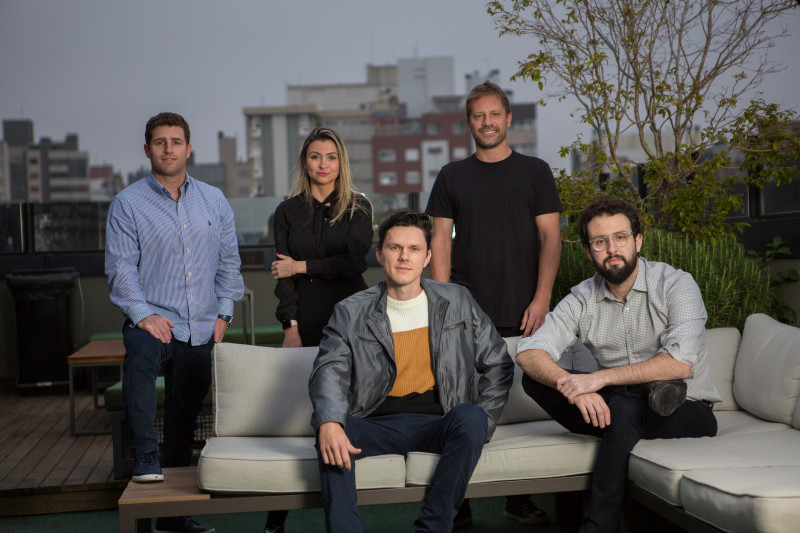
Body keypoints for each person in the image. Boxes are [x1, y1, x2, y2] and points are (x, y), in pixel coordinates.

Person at [516, 196, 721, 533]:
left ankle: (597, 526)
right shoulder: (582, 297)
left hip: (687, 409)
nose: (612, 248)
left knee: (624, 408)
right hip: (618, 405)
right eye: (600, 241)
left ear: (638, 241)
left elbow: (679, 365)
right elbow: (529, 352)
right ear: (588, 251)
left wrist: (596, 380)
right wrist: (573, 387)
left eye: (621, 237)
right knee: (536, 380)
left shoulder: (676, 285)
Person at [309, 211, 514, 533]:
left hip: (439, 422)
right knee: (333, 432)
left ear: (428, 256)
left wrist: (482, 423)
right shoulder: (350, 311)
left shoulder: (457, 301)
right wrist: (330, 421)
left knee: (472, 417)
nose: (404, 257)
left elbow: (499, 363)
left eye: (414, 249)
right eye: (395, 248)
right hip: (374, 422)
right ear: (379, 253)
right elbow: (328, 369)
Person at [425, 79, 561, 526]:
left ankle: (517, 500)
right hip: (467, 317)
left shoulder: (536, 171)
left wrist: (542, 299)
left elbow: (551, 238)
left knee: (523, 413)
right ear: (469, 123)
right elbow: (439, 241)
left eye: (494, 114)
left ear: (507, 119)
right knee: (461, 411)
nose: (487, 122)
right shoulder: (451, 176)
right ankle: (458, 507)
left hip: (525, 315)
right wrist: (444, 304)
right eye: (478, 116)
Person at [105, 112, 244, 533]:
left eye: (176, 141)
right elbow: (121, 268)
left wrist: (224, 312)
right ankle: (145, 453)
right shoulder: (128, 203)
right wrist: (144, 315)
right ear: (147, 149)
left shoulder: (214, 201)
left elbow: (228, 264)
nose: (169, 148)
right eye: (160, 142)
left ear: (188, 149)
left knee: (184, 421)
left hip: (201, 326)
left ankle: (172, 516)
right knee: (141, 359)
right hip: (152, 320)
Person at [265, 129, 373, 532]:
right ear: (304, 162)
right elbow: (281, 276)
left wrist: (302, 266)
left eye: (331, 157)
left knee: (350, 409)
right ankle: (277, 518)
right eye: (315, 157)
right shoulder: (287, 211)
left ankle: (349, 501)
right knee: (298, 416)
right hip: (305, 321)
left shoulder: (358, 207)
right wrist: (290, 325)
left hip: (353, 318)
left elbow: (353, 264)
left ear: (341, 162)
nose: (323, 165)